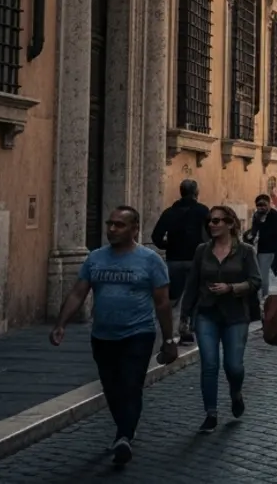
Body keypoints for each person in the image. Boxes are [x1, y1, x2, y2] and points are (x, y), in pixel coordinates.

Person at [51, 206, 180, 467]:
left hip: (138, 333)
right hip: (103, 335)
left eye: (119, 225)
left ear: (135, 229)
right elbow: (79, 292)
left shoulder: (150, 260)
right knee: (111, 387)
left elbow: (163, 303)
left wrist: (168, 341)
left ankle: (124, 436)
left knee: (131, 385)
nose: (111, 229)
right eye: (110, 224)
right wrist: (61, 323)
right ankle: (124, 427)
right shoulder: (95, 258)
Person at [181, 204, 262, 434]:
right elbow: (192, 284)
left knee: (233, 366)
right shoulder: (201, 251)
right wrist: (185, 315)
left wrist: (231, 287)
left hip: (236, 315)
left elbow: (256, 282)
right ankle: (211, 413)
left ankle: (235, 392)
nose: (212, 224)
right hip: (206, 313)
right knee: (209, 364)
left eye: (217, 221)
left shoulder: (245, 251)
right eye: (210, 221)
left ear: (229, 224)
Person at [151, 179, 209, 339]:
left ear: (180, 192)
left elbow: (155, 236)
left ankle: (169, 328)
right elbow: (212, 234)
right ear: (196, 193)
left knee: (173, 297)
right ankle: (188, 326)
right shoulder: (203, 211)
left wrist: (168, 245)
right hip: (196, 259)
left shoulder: (170, 212)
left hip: (174, 259)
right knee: (195, 295)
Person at [245, 192, 277, 289]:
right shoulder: (257, 216)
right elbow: (254, 229)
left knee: (272, 276)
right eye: (258, 205)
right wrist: (250, 237)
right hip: (262, 250)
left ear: (268, 204)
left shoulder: (275, 215)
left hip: (274, 250)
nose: (261, 207)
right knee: (263, 276)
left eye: (263, 205)